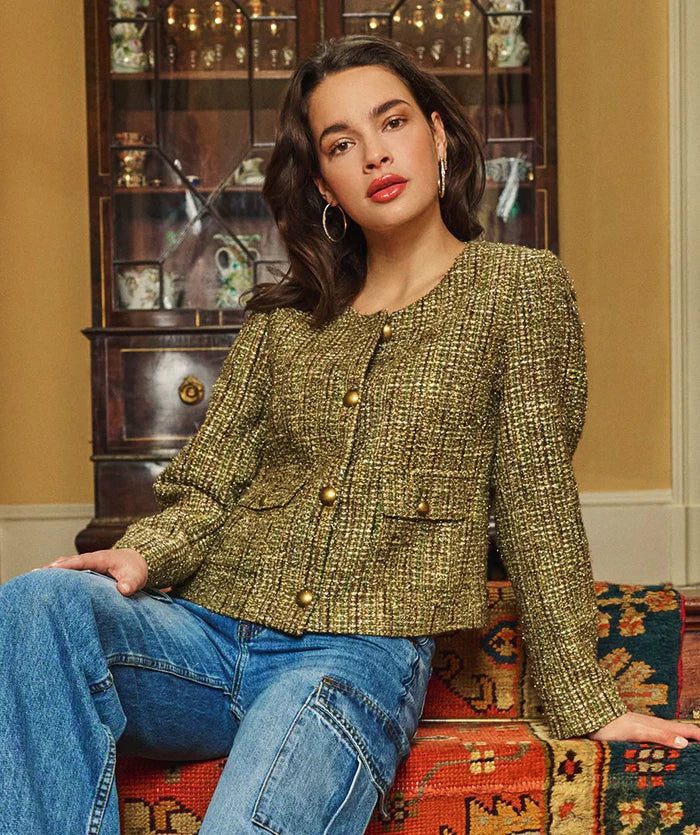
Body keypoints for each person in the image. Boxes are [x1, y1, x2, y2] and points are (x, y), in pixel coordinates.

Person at [1, 33, 698, 835]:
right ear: (324, 183)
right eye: (341, 144)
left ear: (438, 134)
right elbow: (209, 485)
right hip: (204, 635)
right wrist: (145, 553)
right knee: (36, 603)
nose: (374, 155)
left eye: (392, 122)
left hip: (351, 657)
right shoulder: (286, 317)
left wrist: (587, 699)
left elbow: (536, 499)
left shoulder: (518, 290)